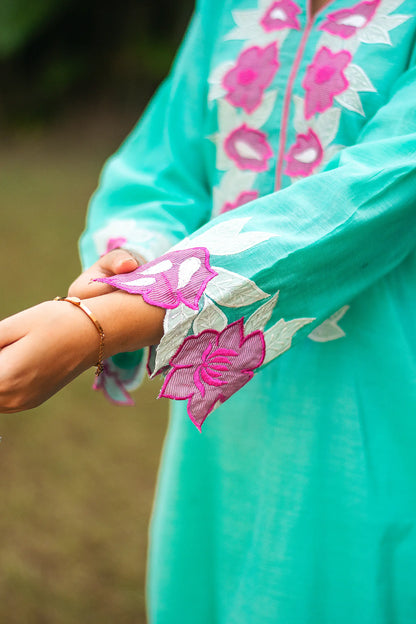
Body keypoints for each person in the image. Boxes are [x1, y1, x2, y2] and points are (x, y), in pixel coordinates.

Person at [1, 0, 416, 621]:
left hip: (379, 412)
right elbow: (156, 169)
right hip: (224, 432)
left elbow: (373, 195)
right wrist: (128, 263)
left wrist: (100, 326)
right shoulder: (229, 8)